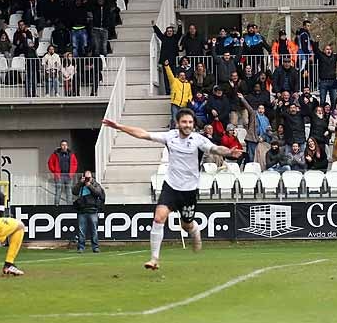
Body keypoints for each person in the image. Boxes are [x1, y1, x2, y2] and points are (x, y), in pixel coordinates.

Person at [102, 110, 242, 270]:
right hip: (171, 187)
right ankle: (154, 259)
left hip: (189, 190)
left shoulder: (198, 140)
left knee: (186, 225)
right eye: (184, 122)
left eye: (190, 122)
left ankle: (195, 230)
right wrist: (120, 126)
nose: (187, 125)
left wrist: (229, 151)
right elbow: (143, 134)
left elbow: (216, 149)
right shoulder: (170, 137)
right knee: (159, 218)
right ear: (177, 123)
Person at [72, 170, 105, 253]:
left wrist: (89, 185)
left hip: (93, 210)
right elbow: (74, 192)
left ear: (91, 177)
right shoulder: (81, 185)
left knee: (94, 230)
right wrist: (80, 183)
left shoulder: (95, 184)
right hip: (82, 210)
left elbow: (98, 193)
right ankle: (81, 247)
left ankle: (95, 247)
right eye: (86, 178)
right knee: (81, 231)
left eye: (88, 178)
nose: (87, 179)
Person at [47, 140, 77, 205]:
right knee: (58, 191)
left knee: (69, 191)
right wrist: (54, 171)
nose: (64, 146)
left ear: (67, 146)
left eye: (65, 145)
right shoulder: (55, 154)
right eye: (63, 145)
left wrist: (72, 173)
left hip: (68, 176)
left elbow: (75, 164)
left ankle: (69, 206)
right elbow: (50, 163)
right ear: (60, 146)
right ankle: (56, 205)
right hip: (59, 176)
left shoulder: (71, 154)